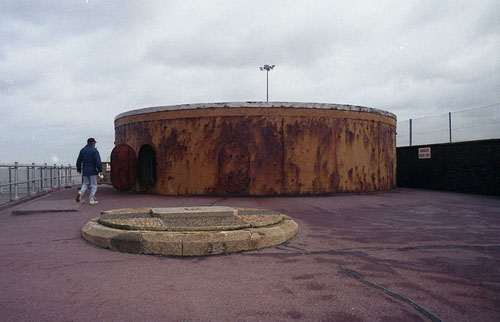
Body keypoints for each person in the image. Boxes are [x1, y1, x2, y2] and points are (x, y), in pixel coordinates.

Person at [76, 138, 103, 205]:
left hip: (85, 170)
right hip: (93, 170)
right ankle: (91, 199)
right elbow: (97, 161)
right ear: (92, 143)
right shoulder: (94, 151)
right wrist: (100, 170)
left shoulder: (82, 150)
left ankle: (81, 192)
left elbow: (78, 161)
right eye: (94, 143)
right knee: (94, 185)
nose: (95, 144)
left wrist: (79, 169)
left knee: (85, 184)